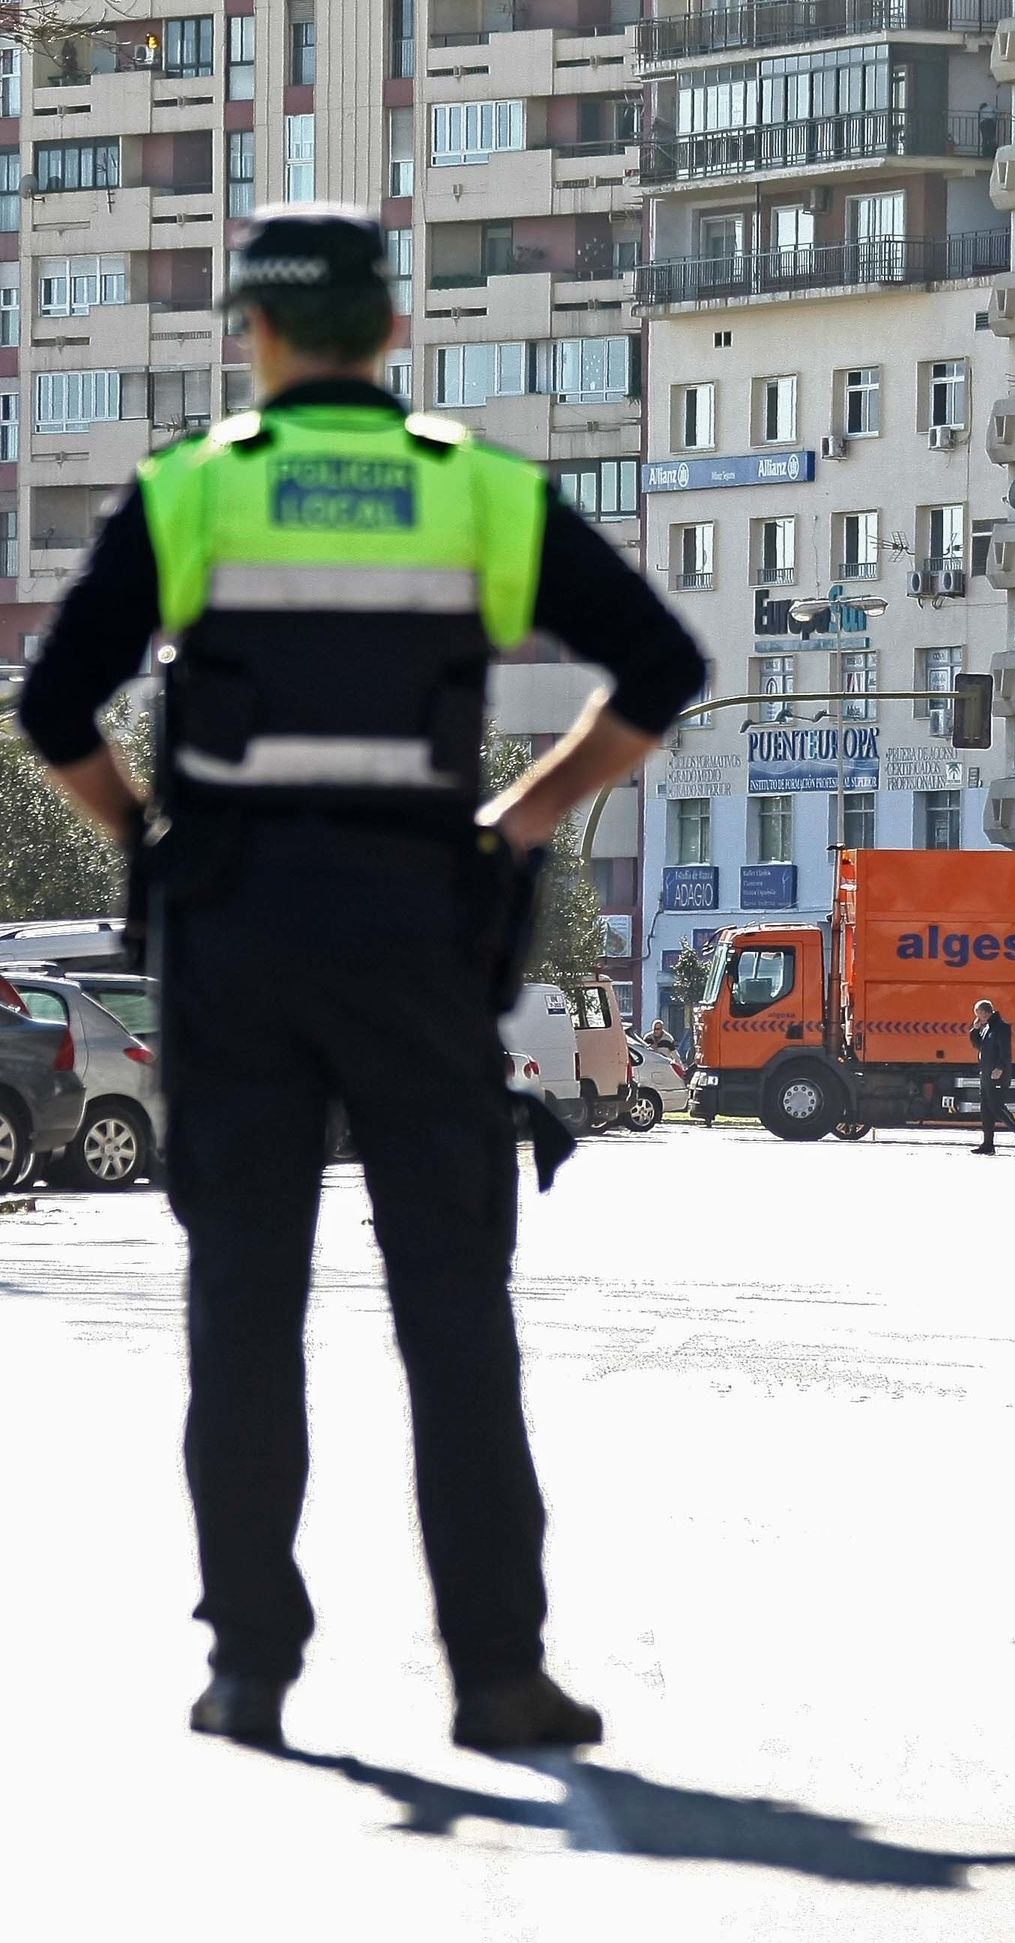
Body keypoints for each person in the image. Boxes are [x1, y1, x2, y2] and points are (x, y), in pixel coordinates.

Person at [18, 205, 706, 1752]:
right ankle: (497, 1674)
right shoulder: (470, 487)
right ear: (395, 337)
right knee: (454, 1311)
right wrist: (524, 810)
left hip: (235, 941)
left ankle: (251, 1663)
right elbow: (658, 667)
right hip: (415, 940)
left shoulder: (194, 491)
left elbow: (57, 703)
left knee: (242, 1309)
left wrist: (152, 840)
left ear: (252, 339)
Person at [969, 999, 1015, 1155]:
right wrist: (975, 1030)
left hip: (997, 1075)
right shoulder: (986, 1028)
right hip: (986, 1074)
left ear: (984, 1013)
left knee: (996, 1106)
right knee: (986, 1109)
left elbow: (1005, 1052)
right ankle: (988, 1144)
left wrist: (1000, 1068)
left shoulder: (1001, 1028)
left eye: (978, 1014)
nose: (977, 1017)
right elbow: (977, 1045)